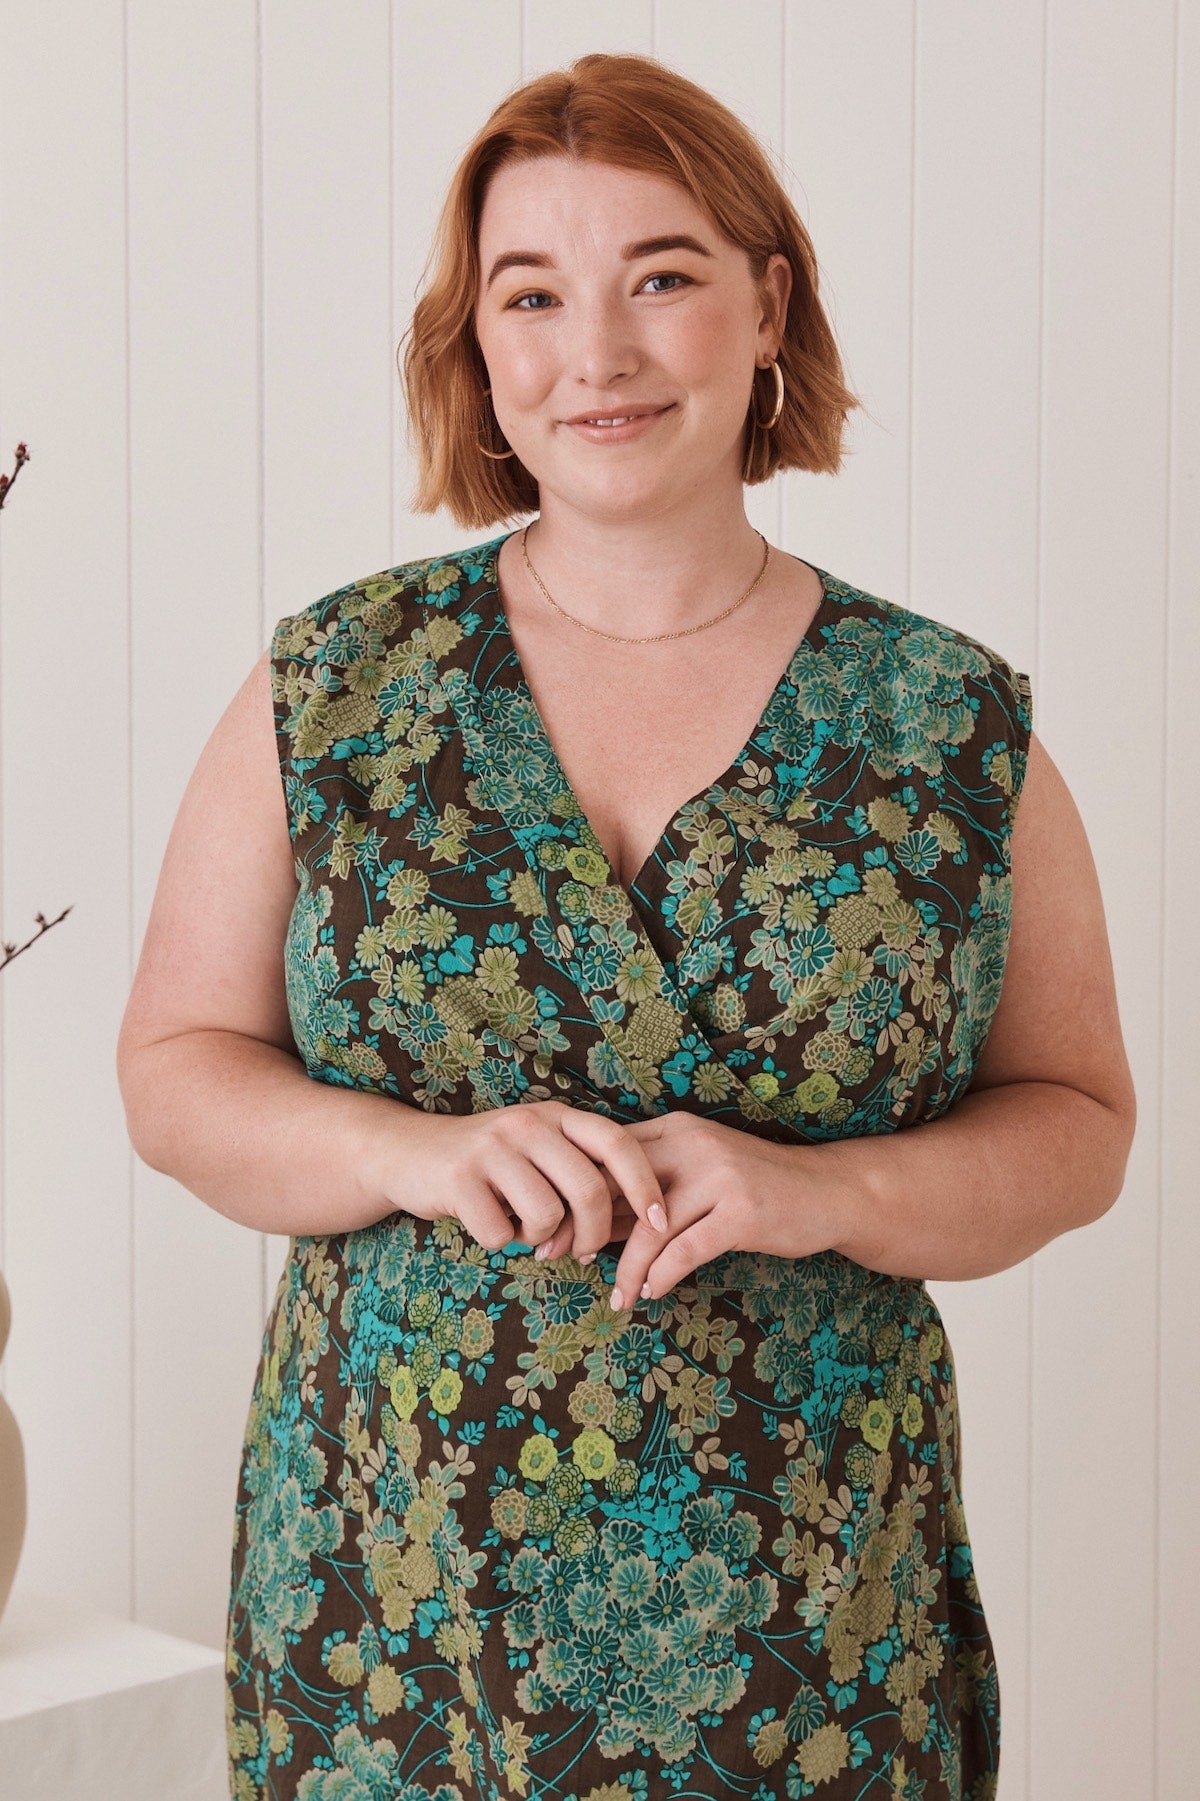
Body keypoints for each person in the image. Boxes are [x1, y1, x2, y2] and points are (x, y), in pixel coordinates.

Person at [116, 50, 1135, 1801]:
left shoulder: (947, 723)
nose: (595, 351)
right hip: (395, 1633)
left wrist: (825, 1189)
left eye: (660, 276)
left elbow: (1080, 1120)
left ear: (769, 306)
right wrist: (412, 1150)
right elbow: (174, 1066)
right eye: (533, 293)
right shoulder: (336, 687)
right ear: (479, 343)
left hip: (814, 1646)